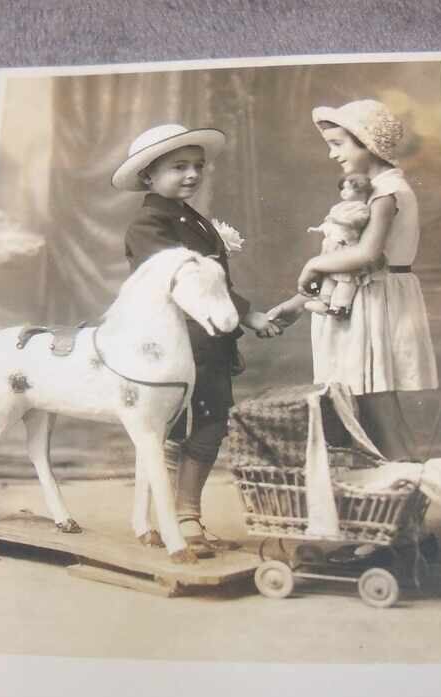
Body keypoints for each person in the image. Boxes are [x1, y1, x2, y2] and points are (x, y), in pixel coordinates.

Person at [112, 123, 282, 555]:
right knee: (180, 430)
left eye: (198, 166)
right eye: (178, 167)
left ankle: (186, 515)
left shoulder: (190, 219)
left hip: (207, 341)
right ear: (149, 176)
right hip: (179, 344)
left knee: (207, 428)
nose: (191, 174)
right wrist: (250, 315)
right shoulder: (149, 224)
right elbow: (188, 285)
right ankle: (176, 520)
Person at [268, 99, 438, 462]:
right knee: (363, 406)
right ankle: (392, 497)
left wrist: (313, 262)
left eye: (338, 144)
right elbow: (343, 263)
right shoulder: (369, 193)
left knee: (378, 408)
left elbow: (367, 255)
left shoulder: (387, 193)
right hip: (358, 301)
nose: (332, 155)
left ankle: (408, 493)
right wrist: (298, 304)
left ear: (367, 143)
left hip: (376, 302)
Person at [303, 173, 374, 318]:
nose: (343, 192)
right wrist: (319, 228)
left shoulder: (361, 208)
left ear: (361, 191)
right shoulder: (339, 207)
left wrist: (338, 220)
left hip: (346, 247)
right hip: (332, 246)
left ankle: (341, 307)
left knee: (345, 278)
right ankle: (324, 302)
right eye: (342, 189)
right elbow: (329, 223)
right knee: (328, 275)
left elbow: (357, 222)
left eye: (348, 189)